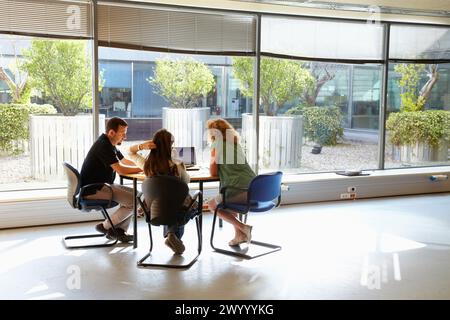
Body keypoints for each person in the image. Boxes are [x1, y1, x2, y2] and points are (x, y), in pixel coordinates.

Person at [128, 129, 193, 255]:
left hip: (154, 208)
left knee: (166, 203)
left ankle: (172, 235)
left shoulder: (147, 164)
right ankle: (173, 235)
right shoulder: (176, 162)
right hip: (178, 206)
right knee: (184, 203)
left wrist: (141, 146)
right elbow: (186, 180)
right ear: (170, 145)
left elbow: (129, 152)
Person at [80, 117, 142, 243]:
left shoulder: (110, 144)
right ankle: (105, 226)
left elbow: (124, 161)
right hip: (94, 189)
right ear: (111, 133)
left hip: (102, 186)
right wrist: (143, 170)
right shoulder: (103, 146)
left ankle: (118, 231)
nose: (124, 137)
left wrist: (142, 166)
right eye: (122, 133)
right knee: (135, 201)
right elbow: (121, 169)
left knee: (138, 196)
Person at [206, 118, 256, 246]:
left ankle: (244, 227)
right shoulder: (235, 144)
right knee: (229, 200)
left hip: (237, 190)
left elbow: (213, 172)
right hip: (255, 188)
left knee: (212, 205)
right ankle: (239, 235)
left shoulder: (216, 144)